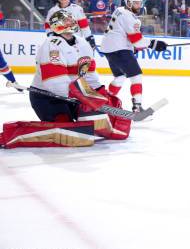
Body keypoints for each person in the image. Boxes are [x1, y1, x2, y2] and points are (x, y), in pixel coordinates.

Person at [0, 10, 131, 148]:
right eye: (66, 20)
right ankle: (13, 135)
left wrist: (100, 93)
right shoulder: (52, 45)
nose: (71, 22)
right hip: (48, 98)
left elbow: (90, 75)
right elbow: (55, 84)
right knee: (70, 131)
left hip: (74, 96)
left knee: (97, 118)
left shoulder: (83, 44)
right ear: (57, 24)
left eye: (71, 19)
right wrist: (85, 97)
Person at [100, 0, 168, 112]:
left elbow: (123, 34)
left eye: (140, 3)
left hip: (108, 48)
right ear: (129, 3)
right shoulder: (130, 17)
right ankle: (137, 107)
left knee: (120, 77)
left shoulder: (120, 10)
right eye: (136, 3)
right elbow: (137, 41)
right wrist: (154, 44)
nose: (139, 6)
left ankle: (105, 101)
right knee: (136, 76)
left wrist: (134, 47)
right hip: (119, 49)